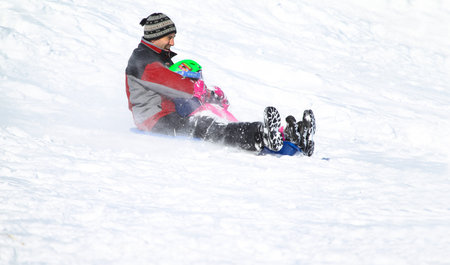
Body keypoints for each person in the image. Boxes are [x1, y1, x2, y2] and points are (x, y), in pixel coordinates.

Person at [125, 13, 315, 155]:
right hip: (156, 121)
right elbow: (175, 85)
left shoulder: (156, 57)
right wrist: (196, 88)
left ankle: (288, 137)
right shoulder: (144, 61)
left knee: (213, 118)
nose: (173, 42)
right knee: (206, 126)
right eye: (169, 37)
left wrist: (208, 95)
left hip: (170, 114)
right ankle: (260, 135)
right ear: (156, 36)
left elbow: (177, 88)